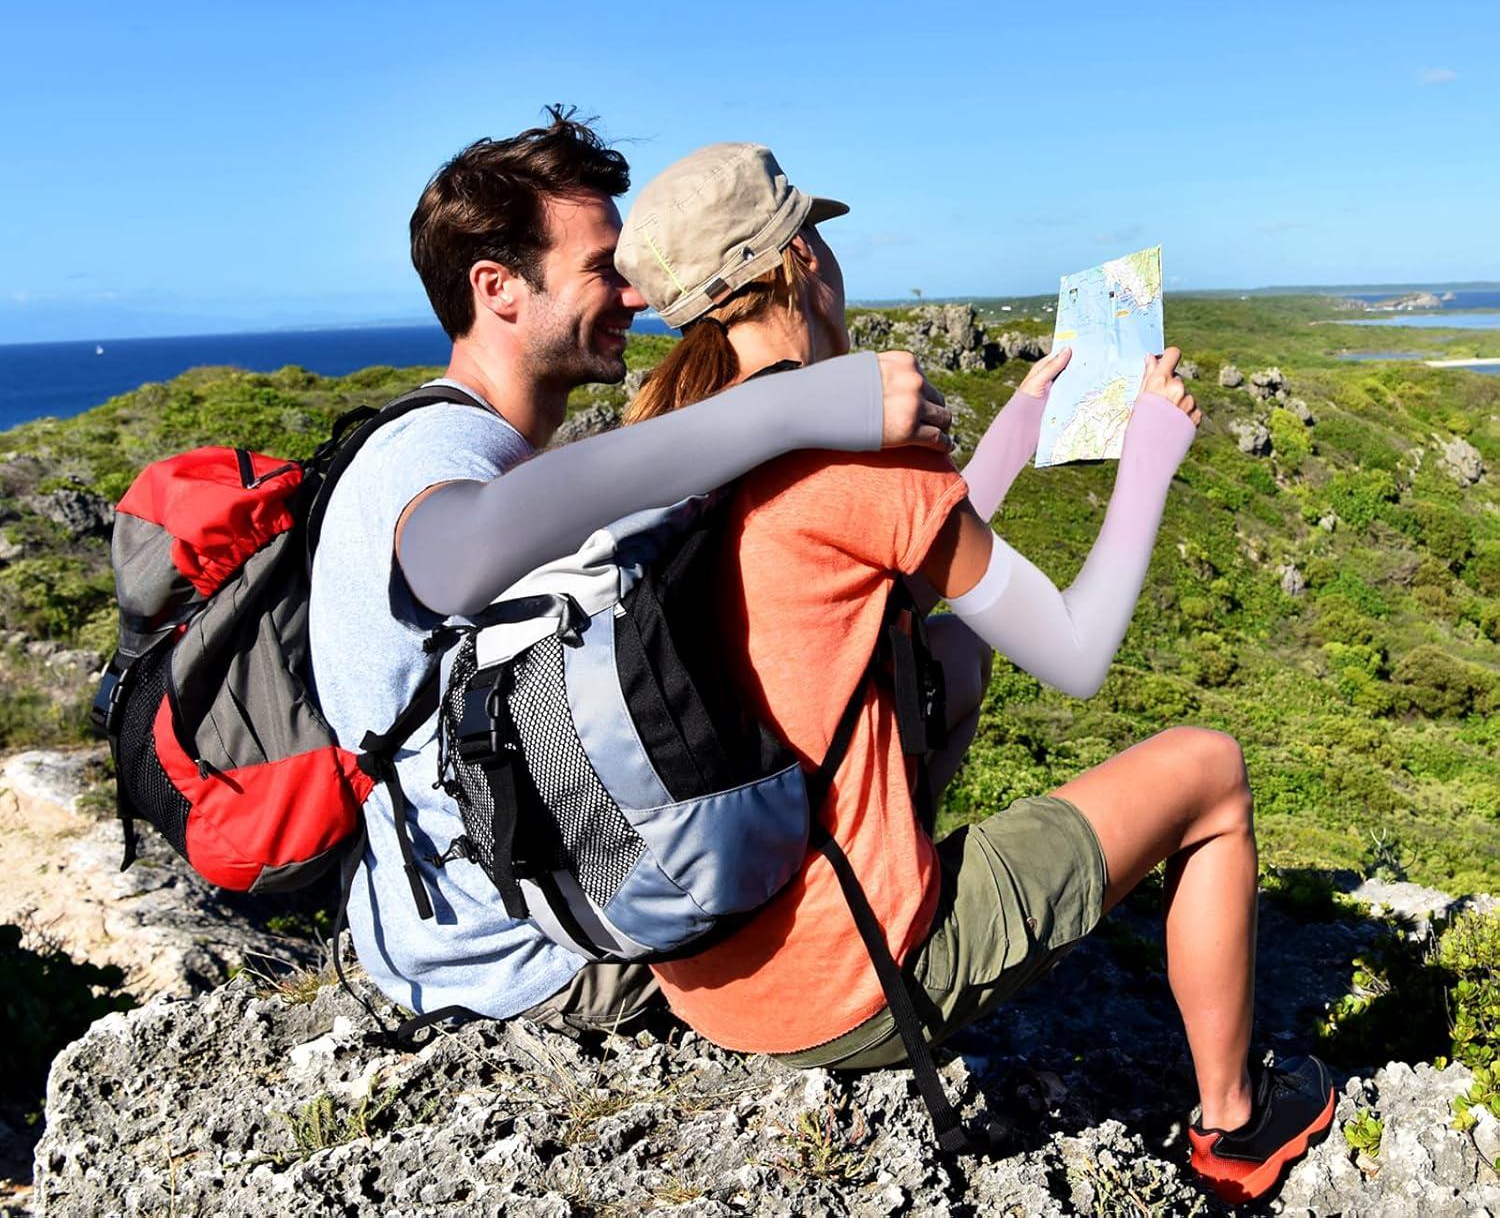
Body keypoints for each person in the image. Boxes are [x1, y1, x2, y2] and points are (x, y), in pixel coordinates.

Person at [614, 142, 1335, 1204]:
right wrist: (1146, 466)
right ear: (803, 257)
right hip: (842, 989)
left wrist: (1014, 429)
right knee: (1211, 772)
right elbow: (1080, 656)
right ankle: (1233, 1126)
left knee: (950, 649)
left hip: (705, 964)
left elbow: (907, 577)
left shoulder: (668, 438)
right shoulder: (848, 456)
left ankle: (891, 872)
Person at [306, 110, 954, 1036]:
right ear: (498, 288)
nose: (635, 297)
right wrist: (798, 406)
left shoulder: (485, 445)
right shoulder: (434, 449)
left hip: (467, 930)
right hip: (532, 964)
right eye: (602, 269)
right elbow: (458, 558)